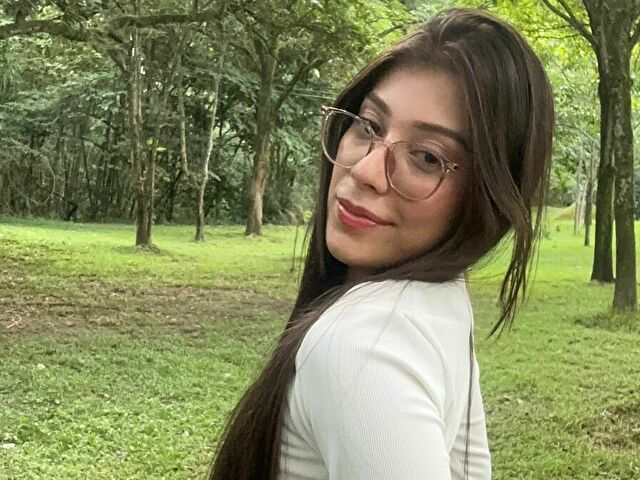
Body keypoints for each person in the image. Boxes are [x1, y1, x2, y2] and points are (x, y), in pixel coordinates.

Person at [208, 8, 554, 480]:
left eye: (427, 157)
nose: (366, 170)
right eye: (369, 126)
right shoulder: (438, 303)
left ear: (486, 200)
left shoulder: (363, 347)